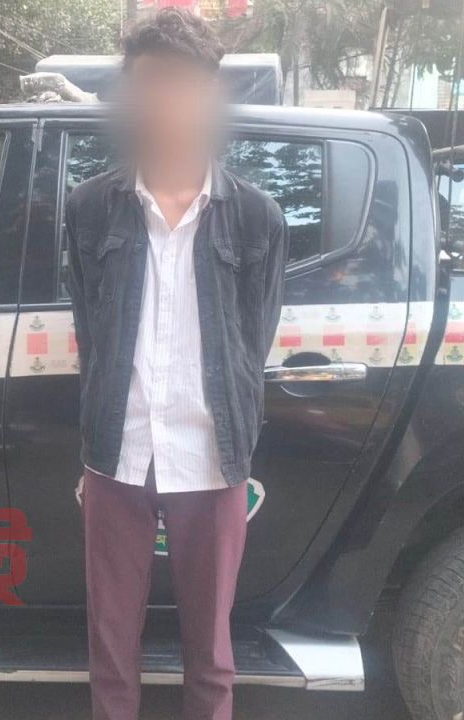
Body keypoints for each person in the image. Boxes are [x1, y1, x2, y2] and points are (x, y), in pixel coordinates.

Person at [63, 9, 289, 720]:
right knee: (110, 644)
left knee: (211, 651)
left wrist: (235, 431)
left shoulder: (255, 217)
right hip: (117, 454)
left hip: (212, 456)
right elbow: (91, 330)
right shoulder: (91, 209)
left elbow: (253, 339)